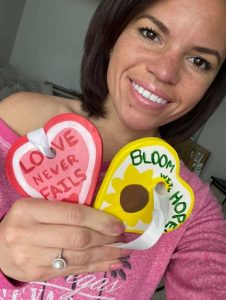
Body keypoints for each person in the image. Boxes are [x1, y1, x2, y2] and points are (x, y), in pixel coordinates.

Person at [0, 0, 226, 298]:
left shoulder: (190, 206)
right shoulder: (16, 124)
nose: (164, 72)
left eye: (199, 61)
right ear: (113, 35)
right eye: (150, 33)